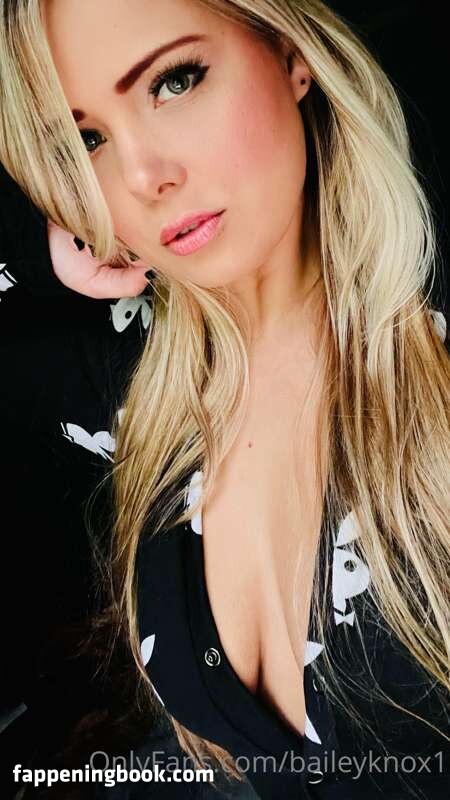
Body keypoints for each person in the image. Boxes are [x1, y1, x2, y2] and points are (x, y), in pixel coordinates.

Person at [0, 1, 449, 798]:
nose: (143, 178)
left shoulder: (431, 347)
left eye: (174, 82)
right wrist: (43, 237)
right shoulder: (136, 383)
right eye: (85, 140)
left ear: (290, 51)